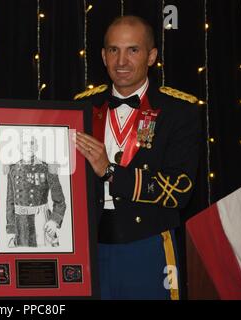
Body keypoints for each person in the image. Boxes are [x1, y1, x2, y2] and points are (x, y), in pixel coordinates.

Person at [74, 15, 200, 299]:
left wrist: (110, 172)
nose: (121, 61)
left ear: (152, 56)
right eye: (113, 50)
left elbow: (179, 189)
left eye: (133, 50)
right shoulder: (80, 107)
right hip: (88, 247)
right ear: (103, 56)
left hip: (147, 246)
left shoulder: (179, 111)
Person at [4, 135, 66, 248]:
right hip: (20, 224)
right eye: (24, 144)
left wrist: (54, 221)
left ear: (36, 146)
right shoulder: (12, 169)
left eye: (31, 143)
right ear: (19, 147)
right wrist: (11, 229)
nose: (28, 147)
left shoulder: (47, 167)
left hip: (41, 221)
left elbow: (60, 201)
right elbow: (10, 201)